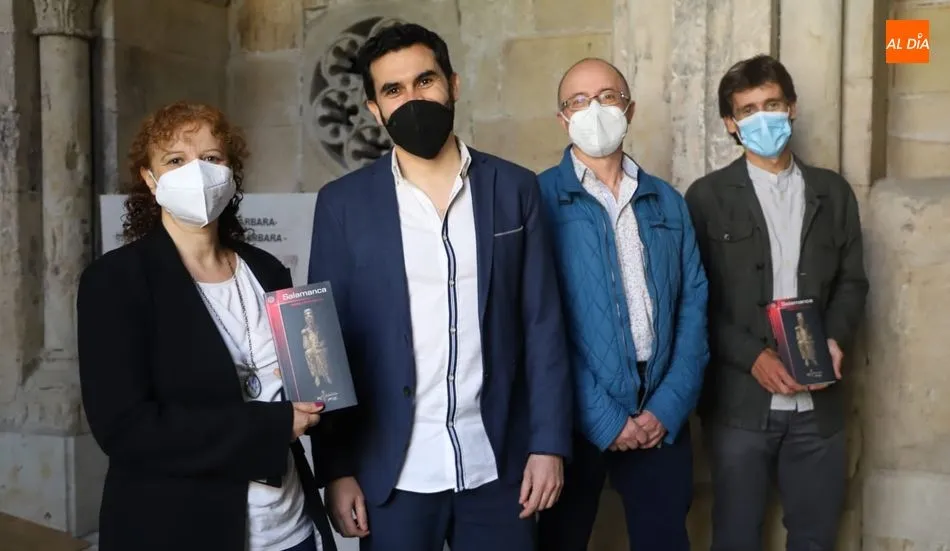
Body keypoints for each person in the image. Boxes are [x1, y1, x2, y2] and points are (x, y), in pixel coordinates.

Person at [306, 22, 573, 551]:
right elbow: (327, 346)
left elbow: (542, 323)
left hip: (501, 465)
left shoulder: (514, 188)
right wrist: (336, 470)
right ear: (373, 109)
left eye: (424, 81)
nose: (412, 99)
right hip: (392, 473)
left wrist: (549, 444)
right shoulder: (342, 204)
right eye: (393, 90)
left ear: (452, 83)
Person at [77, 101, 336, 551]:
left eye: (212, 158)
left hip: (290, 529)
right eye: (176, 160)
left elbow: (307, 381)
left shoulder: (268, 270)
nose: (197, 172)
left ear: (231, 172)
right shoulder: (116, 281)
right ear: (150, 178)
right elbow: (126, 429)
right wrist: (270, 425)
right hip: (179, 529)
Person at [683, 54, 868, 551]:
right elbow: (694, 300)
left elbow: (853, 282)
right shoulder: (706, 198)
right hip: (740, 407)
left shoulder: (833, 193)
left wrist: (834, 338)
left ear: (792, 109)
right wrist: (752, 357)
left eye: (772, 104)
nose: (762, 117)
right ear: (730, 123)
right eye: (747, 110)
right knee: (736, 537)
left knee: (815, 537)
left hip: (819, 406)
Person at [534, 57, 710, 551]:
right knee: (560, 539)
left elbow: (694, 307)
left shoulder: (667, 202)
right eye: (579, 101)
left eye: (608, 97)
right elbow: (537, 322)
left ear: (629, 110)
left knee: (664, 538)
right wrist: (604, 418)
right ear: (562, 118)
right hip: (574, 410)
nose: (595, 109)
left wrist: (668, 407)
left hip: (659, 405)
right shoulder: (537, 199)